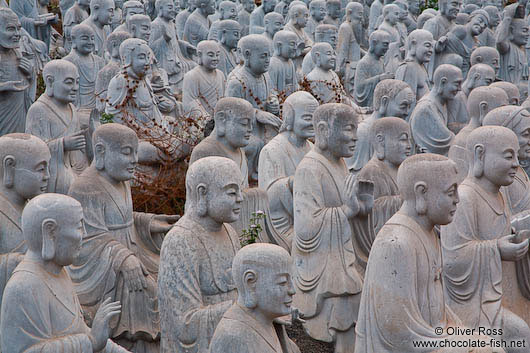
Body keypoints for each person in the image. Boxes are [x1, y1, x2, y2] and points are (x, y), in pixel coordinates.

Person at [355, 153, 499, 353]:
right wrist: (454, 343)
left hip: (431, 335)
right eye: (451, 192)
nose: (458, 200)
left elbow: (438, 314)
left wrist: (463, 336)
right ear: (421, 193)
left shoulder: (428, 232)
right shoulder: (396, 243)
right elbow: (396, 331)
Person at [68, 123, 179, 353]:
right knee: (150, 291)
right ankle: (139, 345)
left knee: (170, 273)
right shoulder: (84, 187)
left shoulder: (121, 181)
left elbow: (123, 219)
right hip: (103, 270)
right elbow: (86, 241)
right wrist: (122, 258)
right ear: (101, 152)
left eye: (135, 152)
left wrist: (148, 222)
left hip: (132, 251)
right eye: (127, 152)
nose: (135, 160)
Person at [0, 193, 130, 353]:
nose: (85, 235)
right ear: (50, 231)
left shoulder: (60, 273)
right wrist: (89, 342)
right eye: (79, 227)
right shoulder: (23, 287)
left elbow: (83, 332)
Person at [292, 103, 374, 352]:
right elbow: (306, 228)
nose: (355, 137)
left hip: (343, 255)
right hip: (322, 265)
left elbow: (345, 211)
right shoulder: (309, 168)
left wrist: (361, 209)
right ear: (324, 130)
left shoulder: (339, 164)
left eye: (356, 129)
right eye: (349, 129)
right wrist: (346, 212)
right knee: (348, 302)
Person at [441, 126, 530, 352]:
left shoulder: (499, 194)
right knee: (520, 334)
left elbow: (498, 232)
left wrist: (515, 234)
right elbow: (451, 259)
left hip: (501, 291)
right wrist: (496, 250)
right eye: (509, 156)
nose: (516, 164)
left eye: (517, 156)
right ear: (480, 155)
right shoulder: (465, 198)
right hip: (474, 305)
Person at [159, 157, 243, 353]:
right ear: (202, 193)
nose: (240, 198)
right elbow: (185, 325)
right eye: (232, 192)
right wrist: (243, 308)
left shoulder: (230, 232)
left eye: (240, 190)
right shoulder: (180, 241)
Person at [209, 243, 301, 353]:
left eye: (291, 280)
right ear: (250, 283)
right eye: (282, 283)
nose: (292, 290)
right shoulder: (234, 336)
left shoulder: (270, 322)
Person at [258, 91, 318, 247]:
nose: (312, 123)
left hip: (310, 218)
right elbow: (268, 199)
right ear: (289, 118)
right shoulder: (272, 150)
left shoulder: (312, 149)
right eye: (306, 118)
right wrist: (290, 183)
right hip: (283, 226)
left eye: (315, 118)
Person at [0, 133, 50, 317]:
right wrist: (16, 262)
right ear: (9, 167)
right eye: (40, 169)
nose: (48, 176)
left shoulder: (32, 209)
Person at [26, 60, 90, 195]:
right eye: (69, 82)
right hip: (52, 174)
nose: (75, 87)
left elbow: (79, 152)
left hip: (74, 168)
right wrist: (63, 144)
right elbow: (33, 150)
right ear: (50, 82)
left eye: (77, 82)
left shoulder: (72, 108)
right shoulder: (39, 110)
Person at [346, 79, 415, 173]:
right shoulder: (363, 133)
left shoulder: (402, 130)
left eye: (409, 107)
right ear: (384, 102)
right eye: (403, 106)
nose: (407, 113)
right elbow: (356, 176)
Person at [357, 117, 411, 236]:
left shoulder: (401, 170)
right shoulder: (371, 172)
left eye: (409, 140)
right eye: (403, 140)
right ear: (380, 141)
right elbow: (370, 217)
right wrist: (407, 201)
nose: (409, 146)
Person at [409, 64, 462, 155]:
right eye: (457, 84)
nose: (460, 89)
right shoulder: (426, 108)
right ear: (443, 82)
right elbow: (446, 143)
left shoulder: (443, 102)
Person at [0, 8, 35, 135]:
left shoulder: (17, 53)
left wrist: (31, 74)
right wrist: (4, 86)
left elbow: (27, 86)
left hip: (18, 113)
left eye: (18, 28)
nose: (17, 34)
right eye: (10, 29)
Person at [182, 40, 225, 120]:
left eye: (218, 55)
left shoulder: (220, 75)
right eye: (211, 55)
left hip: (219, 119)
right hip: (201, 122)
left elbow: (223, 98)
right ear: (199, 55)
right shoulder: (192, 76)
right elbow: (190, 102)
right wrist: (206, 119)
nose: (215, 58)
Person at [354, 30, 393, 107]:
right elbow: (359, 87)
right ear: (374, 43)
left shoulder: (381, 61)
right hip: (369, 105)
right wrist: (379, 78)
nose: (388, 48)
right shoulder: (364, 63)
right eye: (385, 44)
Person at [395, 29, 433, 101]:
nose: (431, 50)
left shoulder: (420, 66)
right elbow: (408, 102)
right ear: (413, 44)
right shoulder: (410, 67)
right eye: (428, 46)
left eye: (432, 47)